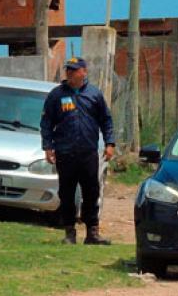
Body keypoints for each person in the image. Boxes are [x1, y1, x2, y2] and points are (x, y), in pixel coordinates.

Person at [40, 57, 116, 245]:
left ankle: (92, 233)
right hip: (65, 153)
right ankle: (69, 232)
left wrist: (110, 143)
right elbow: (47, 122)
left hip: (88, 153)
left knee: (91, 192)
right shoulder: (56, 95)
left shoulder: (94, 95)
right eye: (68, 70)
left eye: (74, 70)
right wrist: (47, 146)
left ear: (84, 72)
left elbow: (106, 120)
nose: (70, 73)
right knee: (67, 194)